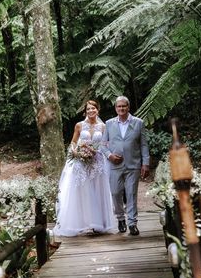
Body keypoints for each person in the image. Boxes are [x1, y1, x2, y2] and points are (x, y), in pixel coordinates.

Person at [53, 100, 116, 237]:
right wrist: (76, 152)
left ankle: (99, 224)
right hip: (81, 163)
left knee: (98, 190)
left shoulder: (103, 127)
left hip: (98, 162)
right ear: (85, 111)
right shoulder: (79, 126)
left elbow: (106, 144)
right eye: (88, 109)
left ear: (97, 110)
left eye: (93, 108)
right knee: (84, 192)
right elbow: (73, 143)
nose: (91, 111)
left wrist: (96, 152)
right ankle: (84, 223)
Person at [102, 96, 150, 236]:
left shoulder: (138, 123)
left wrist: (145, 163)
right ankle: (120, 218)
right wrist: (110, 155)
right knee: (116, 192)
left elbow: (143, 144)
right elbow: (103, 145)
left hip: (133, 164)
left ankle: (132, 223)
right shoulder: (109, 124)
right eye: (119, 106)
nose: (121, 109)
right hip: (114, 164)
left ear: (128, 107)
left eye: (124, 106)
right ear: (116, 108)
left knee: (131, 194)